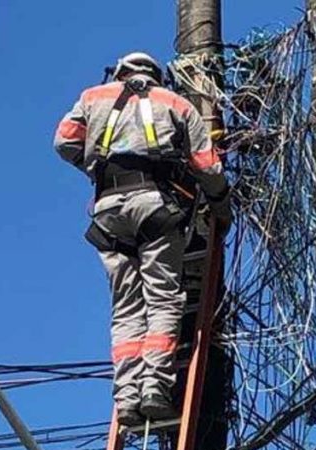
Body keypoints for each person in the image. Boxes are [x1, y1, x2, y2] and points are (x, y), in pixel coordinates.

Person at [54, 52, 231, 427]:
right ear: (157, 76)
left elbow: (64, 142)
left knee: (126, 308)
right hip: (155, 206)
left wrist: (95, 165)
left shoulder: (92, 97)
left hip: (108, 213)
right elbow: (207, 165)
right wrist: (220, 205)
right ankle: (155, 387)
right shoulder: (175, 103)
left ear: (119, 73)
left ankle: (127, 397)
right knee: (163, 300)